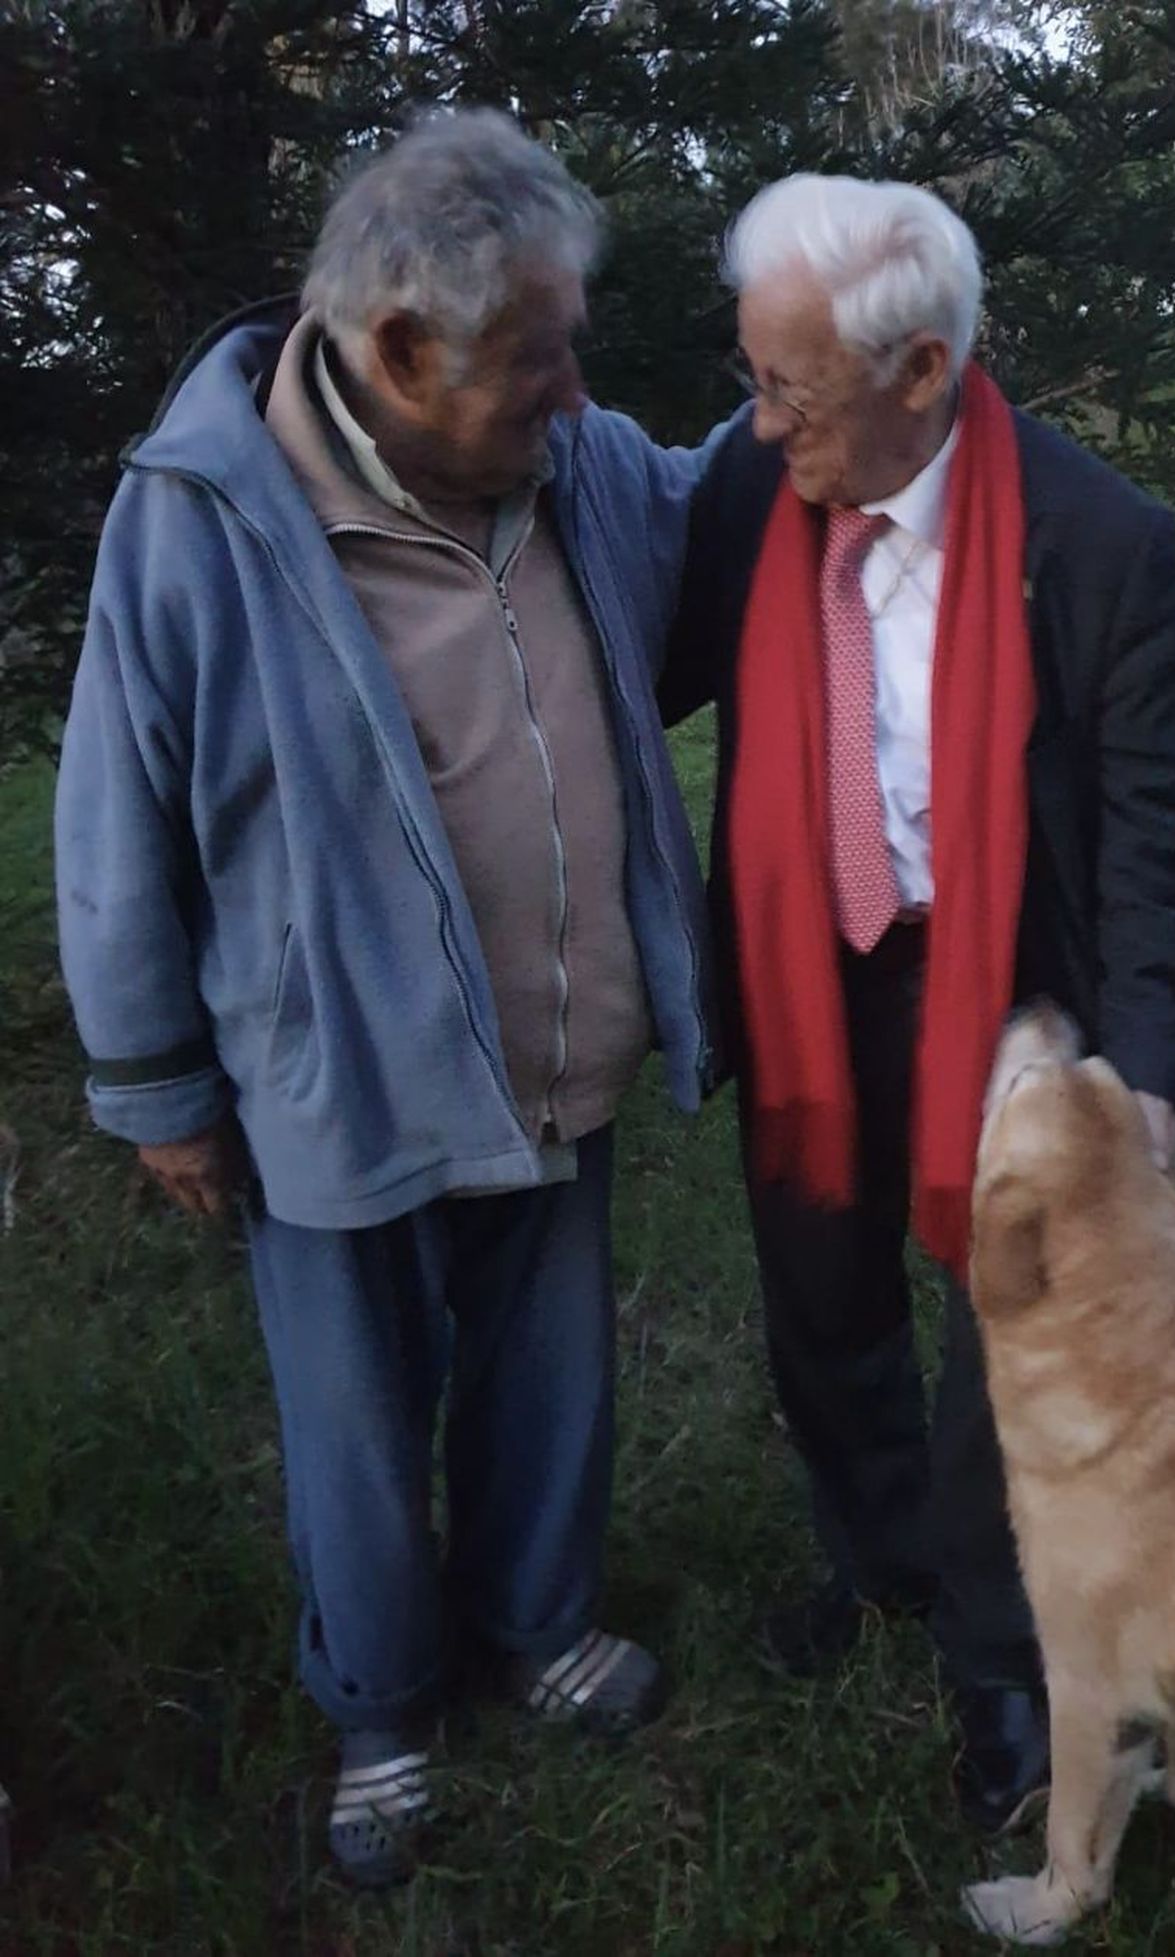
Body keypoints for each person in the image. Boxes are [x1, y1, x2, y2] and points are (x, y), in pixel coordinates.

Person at [54, 108, 717, 1886]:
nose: (577, 389)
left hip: (556, 1041)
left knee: (550, 1365)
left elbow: (717, 502)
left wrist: (847, 370)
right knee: (355, 1413)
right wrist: (155, 1083)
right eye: (539, 356)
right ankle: (382, 1703)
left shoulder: (579, 469)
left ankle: (537, 1621)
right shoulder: (202, 514)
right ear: (403, 352)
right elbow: (114, 814)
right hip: (334, 1073)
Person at [660, 173, 1175, 1837]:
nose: (760, 425)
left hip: (1007, 979)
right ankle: (877, 1553)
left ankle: (999, 1651)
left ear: (919, 373)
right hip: (807, 967)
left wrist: (1148, 1066)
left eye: (790, 390)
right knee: (819, 1282)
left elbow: (1149, 840)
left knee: (1008, 1329)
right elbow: (636, 671)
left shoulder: (1099, 541)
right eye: (752, 378)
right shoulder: (750, 492)